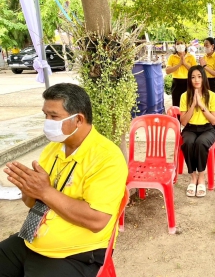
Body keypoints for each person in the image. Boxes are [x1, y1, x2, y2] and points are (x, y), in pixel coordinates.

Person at [0, 83, 127, 277]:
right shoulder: (52, 149)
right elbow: (32, 203)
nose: (47, 122)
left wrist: (44, 191)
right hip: (31, 239)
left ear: (78, 119)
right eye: (45, 115)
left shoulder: (107, 157)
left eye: (53, 116)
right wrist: (28, 188)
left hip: (75, 253)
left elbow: (97, 220)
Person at [180, 66, 215, 198]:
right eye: (193, 77)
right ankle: (193, 177)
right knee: (189, 142)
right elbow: (183, 122)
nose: (196, 80)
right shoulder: (185, 96)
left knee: (201, 143)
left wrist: (202, 105)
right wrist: (193, 104)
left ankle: (201, 177)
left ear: (203, 78)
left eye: (199, 76)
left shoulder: (212, 96)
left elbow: (214, 121)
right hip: (190, 128)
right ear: (189, 79)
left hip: (207, 128)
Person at [199, 37, 215, 136]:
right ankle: (207, 131)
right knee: (205, 106)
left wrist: (205, 66)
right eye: (204, 45)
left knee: (214, 107)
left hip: (214, 83)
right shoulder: (204, 57)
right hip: (205, 82)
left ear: (212, 46)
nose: (205, 47)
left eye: (207, 45)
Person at [166, 40, 197, 107]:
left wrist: (185, 63)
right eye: (178, 44)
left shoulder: (191, 56)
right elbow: (167, 71)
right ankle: (177, 117)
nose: (180, 45)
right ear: (175, 46)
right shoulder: (172, 57)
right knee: (176, 104)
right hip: (176, 83)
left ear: (185, 45)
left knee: (188, 104)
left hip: (188, 82)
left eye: (182, 43)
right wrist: (179, 64)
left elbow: (195, 71)